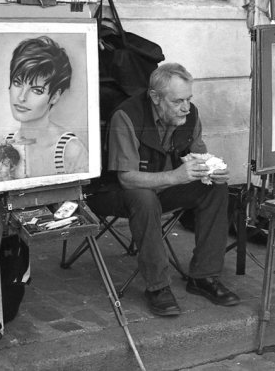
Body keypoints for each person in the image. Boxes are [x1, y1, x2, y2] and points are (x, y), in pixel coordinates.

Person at [85, 63, 239, 317]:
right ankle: (157, 287)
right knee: (144, 199)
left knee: (216, 189)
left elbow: (198, 154)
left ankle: (204, 277)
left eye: (189, 99)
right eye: (178, 101)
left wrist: (212, 169)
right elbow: (127, 179)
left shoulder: (190, 114)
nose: (186, 107)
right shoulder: (127, 116)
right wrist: (176, 176)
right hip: (112, 192)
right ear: (155, 98)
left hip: (165, 185)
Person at [0, 36, 88, 179]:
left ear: (54, 96)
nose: (22, 97)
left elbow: (76, 199)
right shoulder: (4, 144)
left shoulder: (70, 150)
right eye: (17, 83)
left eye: (37, 90)